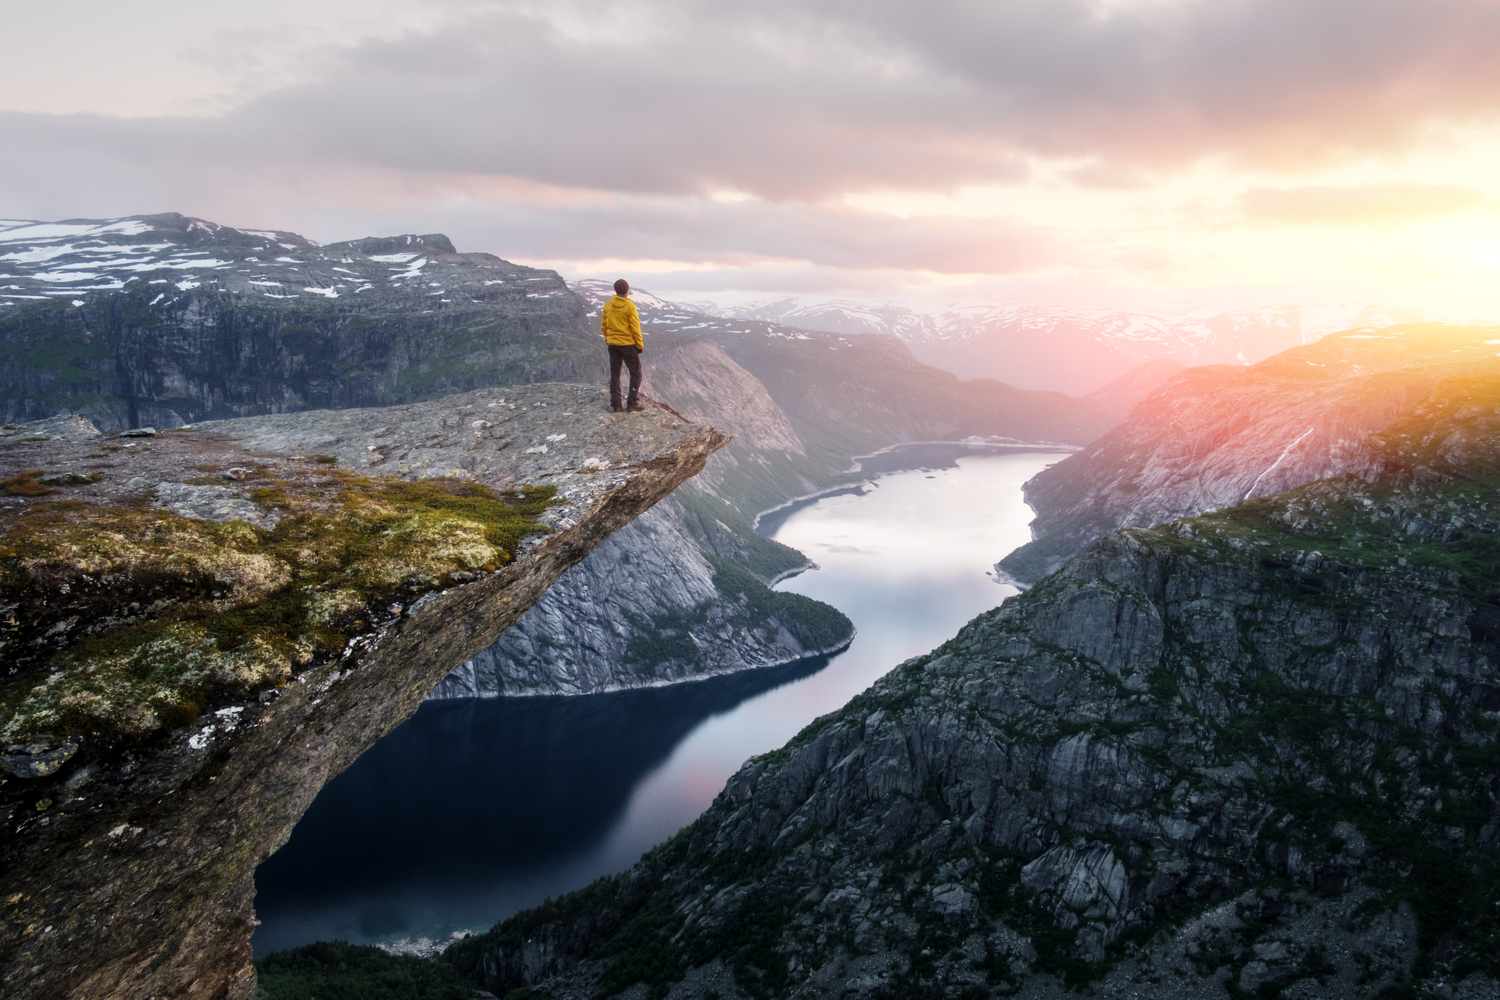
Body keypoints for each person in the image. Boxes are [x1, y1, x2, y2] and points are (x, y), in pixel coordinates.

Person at [600, 278, 644, 412]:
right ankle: (632, 403)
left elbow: (603, 326)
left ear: (615, 290)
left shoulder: (607, 305)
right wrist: (639, 344)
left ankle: (616, 404)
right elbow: (635, 327)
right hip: (628, 344)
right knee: (635, 373)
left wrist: (609, 339)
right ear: (627, 290)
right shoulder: (629, 306)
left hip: (613, 344)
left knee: (615, 373)